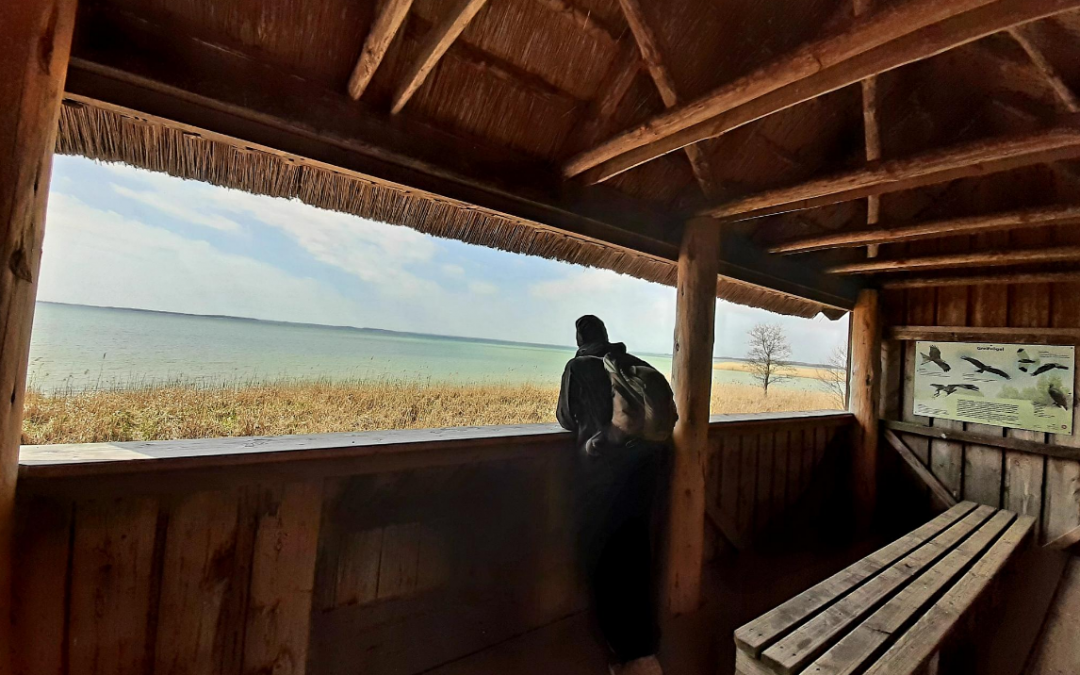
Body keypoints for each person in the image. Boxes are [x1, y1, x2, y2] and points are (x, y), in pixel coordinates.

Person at [557, 315, 671, 675]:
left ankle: (630, 656)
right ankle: (645, 651)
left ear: (579, 338)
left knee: (604, 563)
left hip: (603, 473)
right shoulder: (627, 364)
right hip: (643, 470)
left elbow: (565, 418)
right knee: (634, 555)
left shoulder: (577, 367)